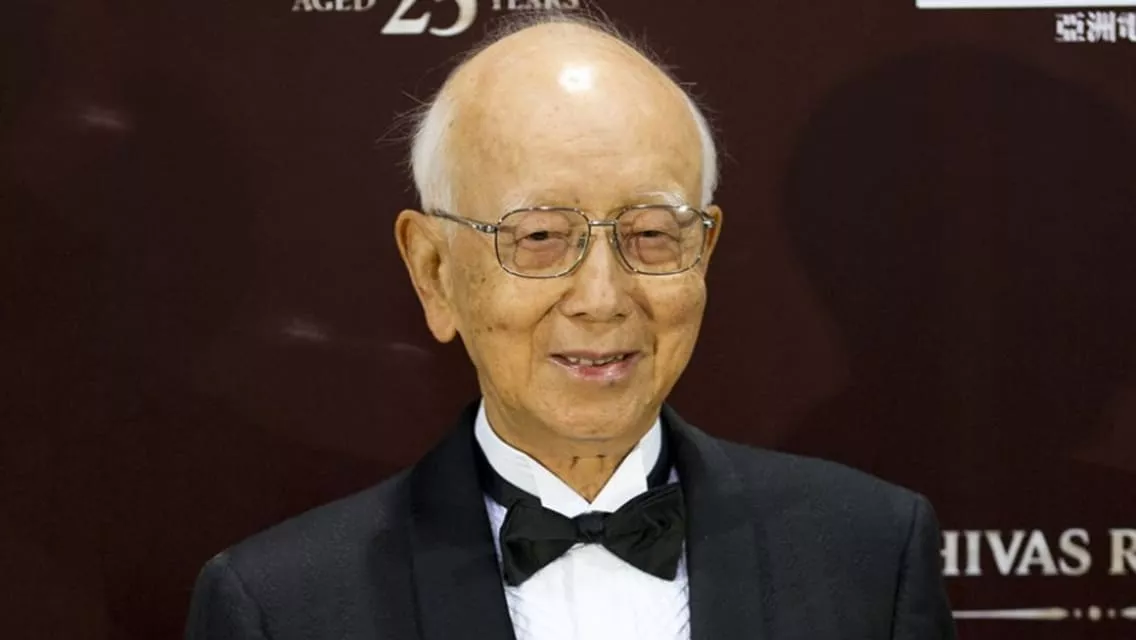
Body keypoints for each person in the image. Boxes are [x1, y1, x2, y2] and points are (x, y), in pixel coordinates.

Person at [186, 15, 956, 640]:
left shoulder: (867, 553)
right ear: (434, 271)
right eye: (540, 236)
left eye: (650, 233)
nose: (601, 297)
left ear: (704, 252)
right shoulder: (284, 608)